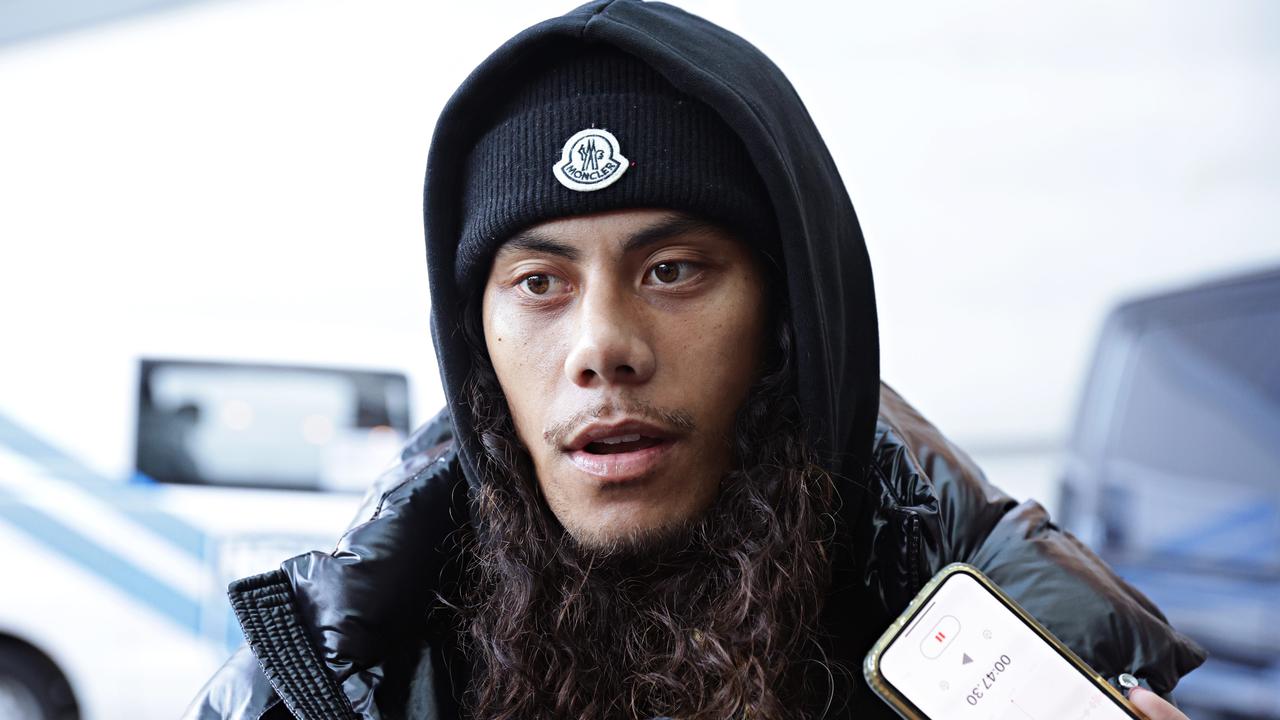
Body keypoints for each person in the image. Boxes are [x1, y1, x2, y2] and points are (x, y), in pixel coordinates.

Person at [185, 2, 1206, 718]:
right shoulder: (324, 679)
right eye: (539, 283)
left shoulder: (1000, 663)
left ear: (790, 315)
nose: (601, 349)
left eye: (672, 270)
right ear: (474, 340)